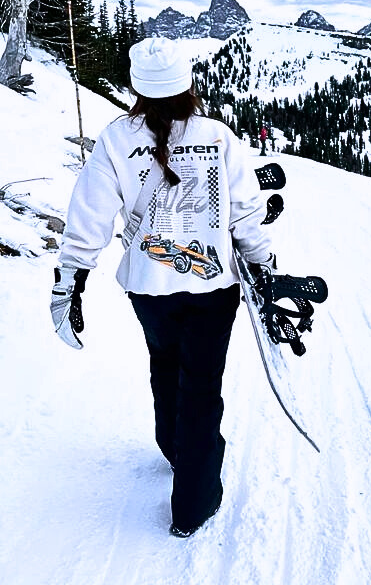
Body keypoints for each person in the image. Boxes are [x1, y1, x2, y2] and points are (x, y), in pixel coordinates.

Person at [50, 37, 274, 537]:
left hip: (148, 286)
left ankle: (173, 449)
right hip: (213, 286)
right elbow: (244, 211)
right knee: (201, 384)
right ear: (187, 83)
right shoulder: (216, 135)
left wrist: (71, 282)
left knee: (163, 362)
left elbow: (89, 215)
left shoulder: (113, 138)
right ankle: (194, 502)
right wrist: (264, 264)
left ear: (137, 86)